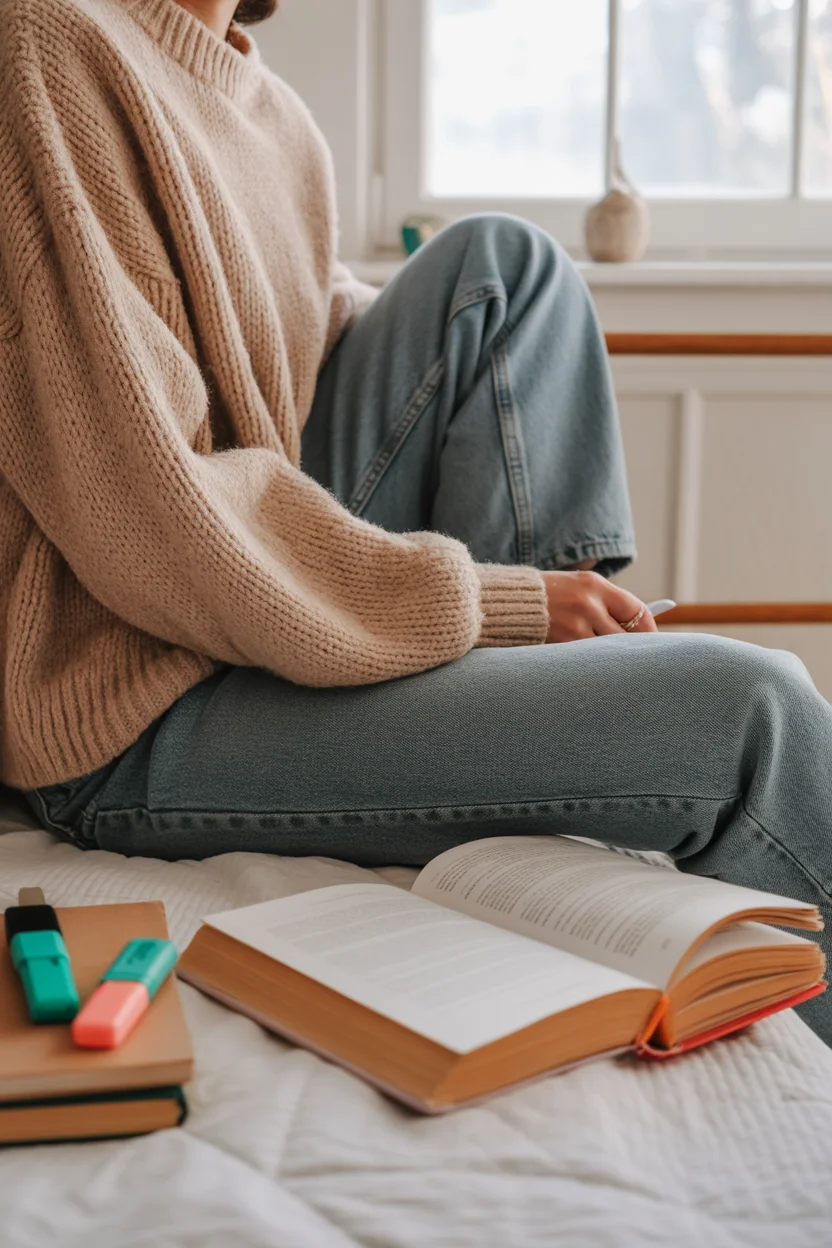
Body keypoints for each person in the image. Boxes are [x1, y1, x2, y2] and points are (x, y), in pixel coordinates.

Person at [2, 0, 832, 1046]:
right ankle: (553, 737)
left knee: (506, 266)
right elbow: (144, 509)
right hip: (133, 698)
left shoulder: (277, 114)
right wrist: (498, 604)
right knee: (755, 715)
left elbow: (288, 350)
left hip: (251, 607)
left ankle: (537, 748)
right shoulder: (47, 40)